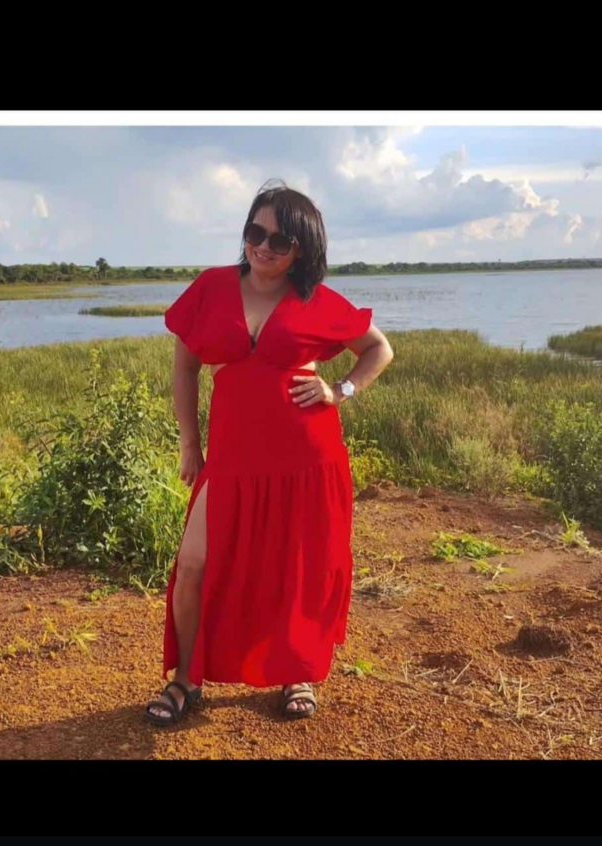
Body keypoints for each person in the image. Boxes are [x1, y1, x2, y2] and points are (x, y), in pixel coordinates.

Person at [146, 179, 394, 726]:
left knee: (295, 568)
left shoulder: (316, 301)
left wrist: (340, 390)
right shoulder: (212, 287)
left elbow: (379, 348)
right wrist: (190, 443)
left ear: (301, 249)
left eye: (279, 241)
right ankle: (185, 678)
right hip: (231, 458)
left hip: (305, 458)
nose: (262, 246)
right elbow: (185, 368)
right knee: (193, 565)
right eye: (254, 232)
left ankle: (295, 672)